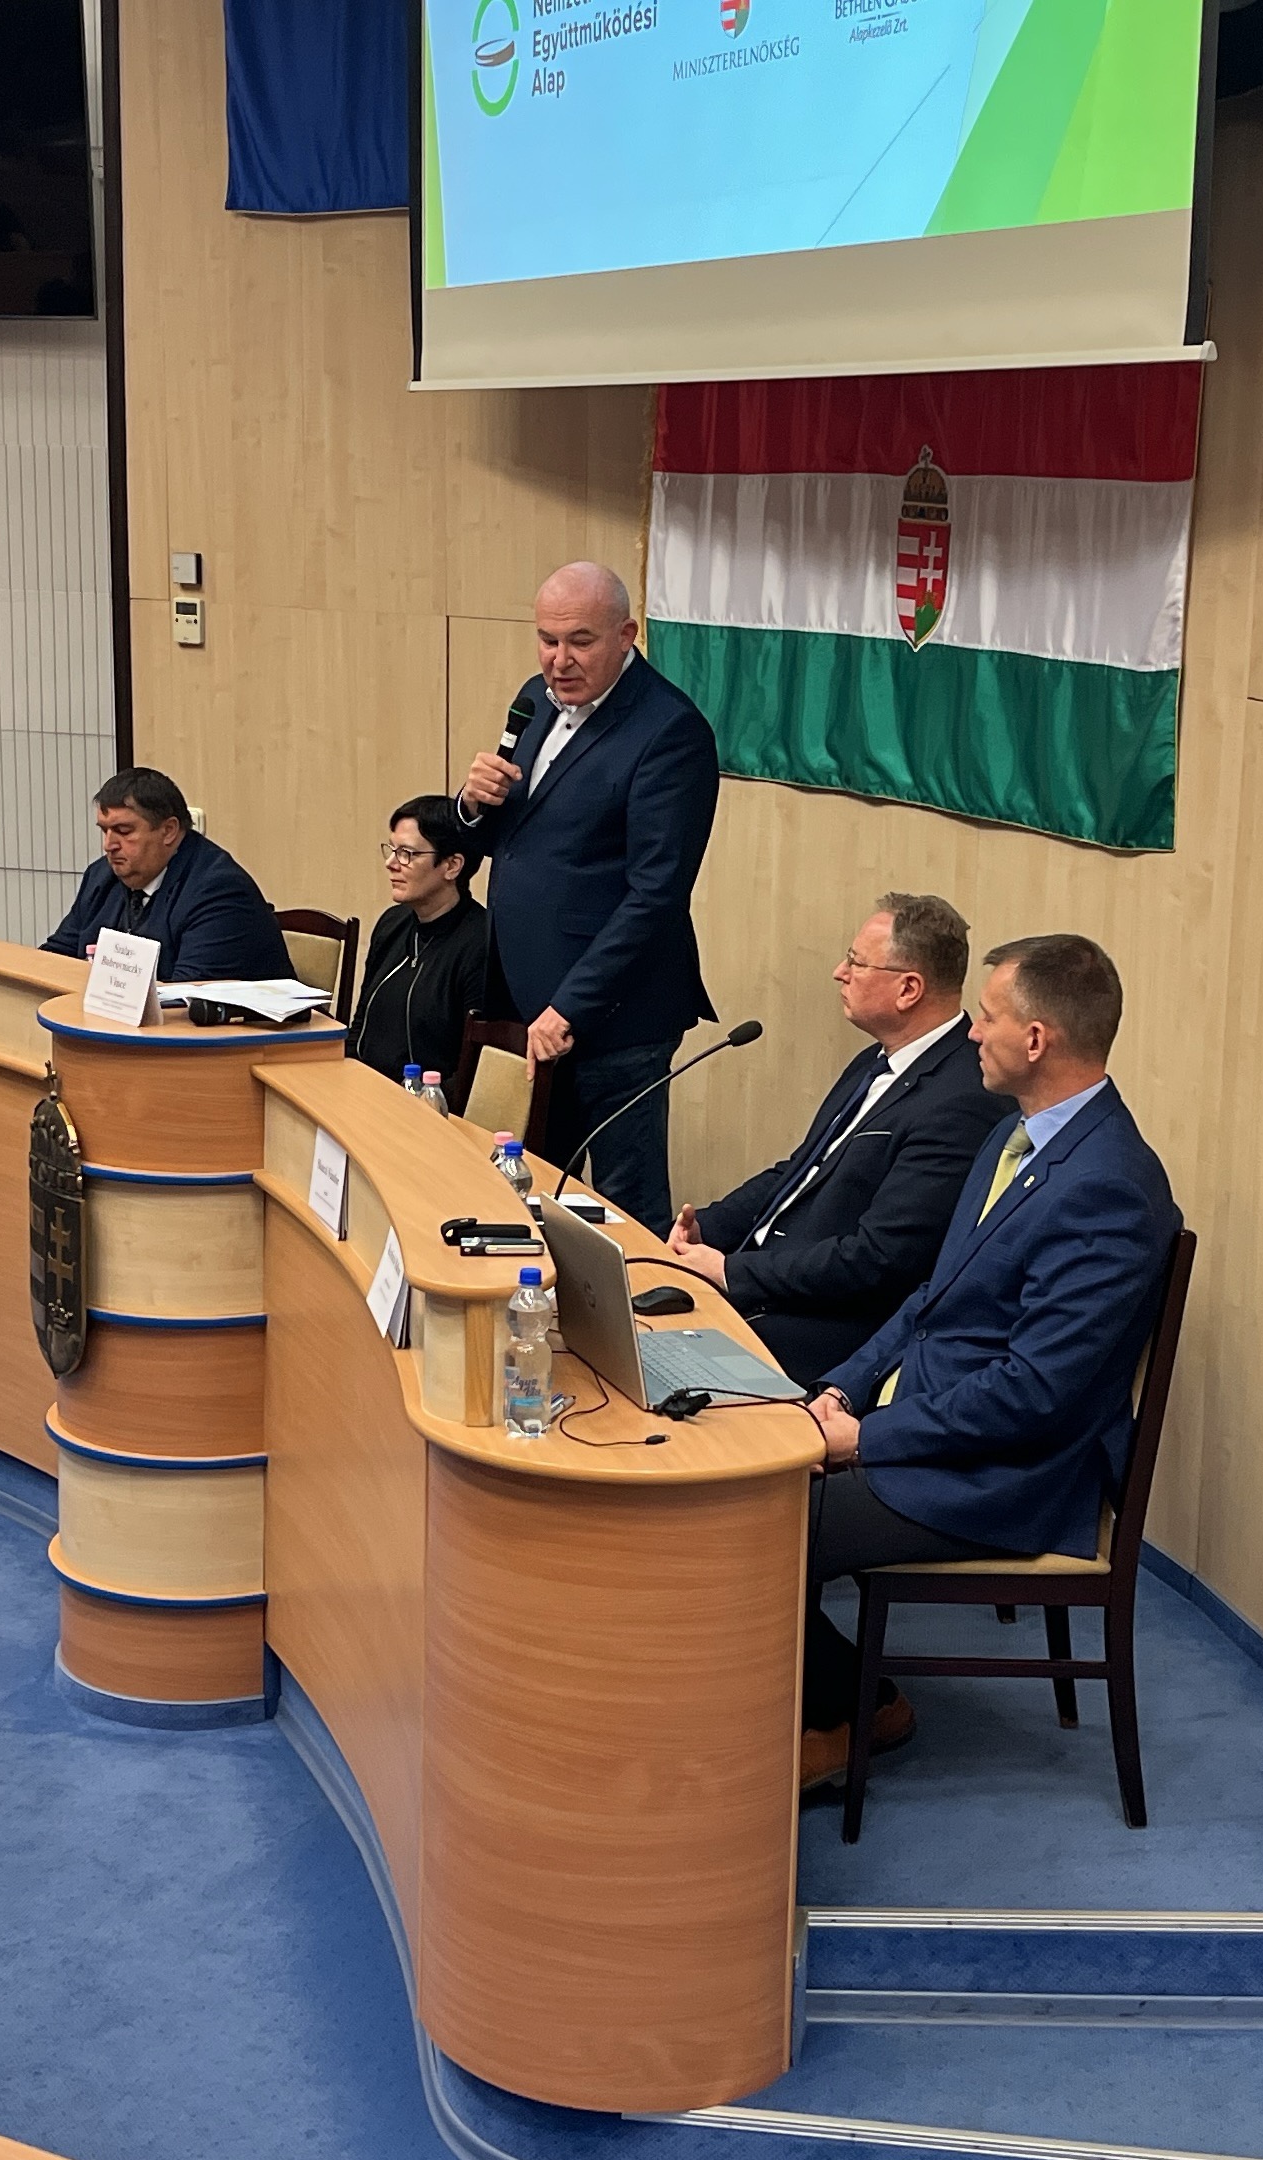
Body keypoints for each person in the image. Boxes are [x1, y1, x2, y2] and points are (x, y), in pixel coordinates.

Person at [796, 935, 1182, 1793]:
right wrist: (842, 1388)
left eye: (988, 1017)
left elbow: (1034, 1395)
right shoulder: (1015, 1138)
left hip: (1007, 1474)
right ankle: (817, 1699)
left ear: (1036, 1039)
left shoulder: (1109, 1186)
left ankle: (847, 1716)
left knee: (757, 1525)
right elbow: (931, 1299)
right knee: (751, 1475)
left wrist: (867, 1439)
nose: (971, 1032)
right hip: (934, 1422)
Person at [457, 562, 720, 1224]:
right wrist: (472, 804)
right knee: (533, 1183)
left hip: (615, 1013)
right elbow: (512, 839)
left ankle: (644, 1295)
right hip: (525, 996)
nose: (558, 660)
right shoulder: (535, 699)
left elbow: (656, 894)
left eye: (579, 641)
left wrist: (569, 1006)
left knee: (625, 1206)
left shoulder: (669, 731)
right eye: (546, 640)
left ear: (626, 635)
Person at [666, 894, 1013, 1382]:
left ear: (908, 989)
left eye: (856, 961)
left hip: (823, 1331)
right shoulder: (876, 1060)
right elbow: (800, 1171)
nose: (839, 972)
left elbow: (878, 1260)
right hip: (763, 1285)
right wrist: (704, 1227)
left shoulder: (962, 1101)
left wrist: (730, 1272)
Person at [40, 766, 291, 983]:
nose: (109, 845)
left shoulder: (219, 891)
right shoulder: (101, 876)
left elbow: (187, 995)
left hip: (242, 1025)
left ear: (169, 830)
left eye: (124, 831)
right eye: (105, 831)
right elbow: (57, 956)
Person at [343, 795, 505, 1106]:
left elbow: (475, 1070)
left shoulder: (480, 944)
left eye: (407, 854)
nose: (391, 863)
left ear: (452, 866)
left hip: (429, 1111)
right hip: (366, 1097)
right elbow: (361, 1026)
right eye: (392, 850)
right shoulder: (392, 924)